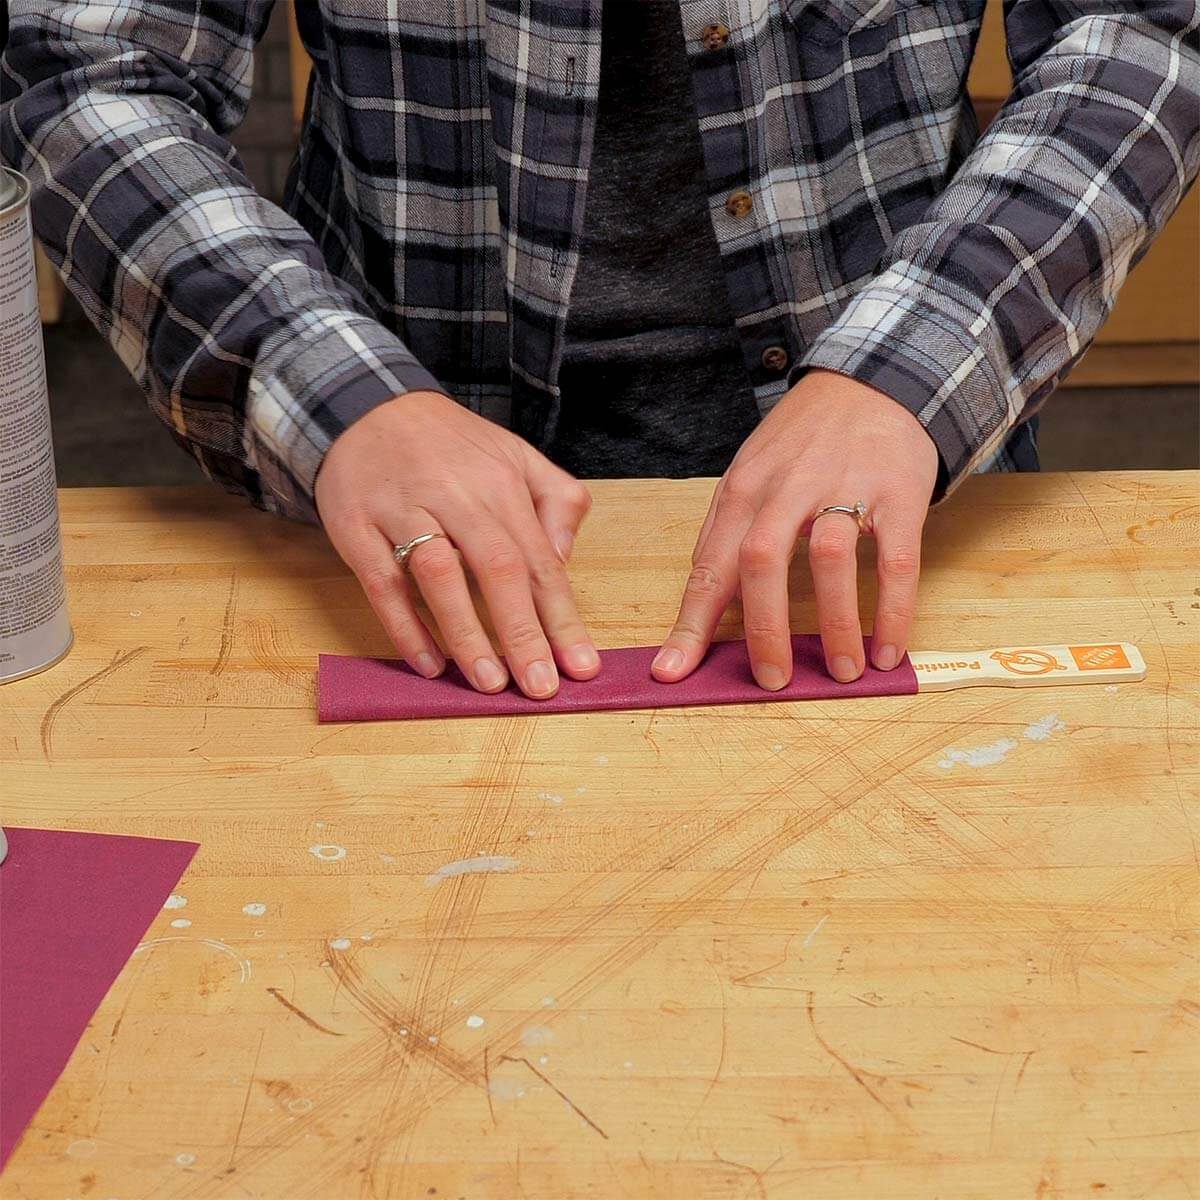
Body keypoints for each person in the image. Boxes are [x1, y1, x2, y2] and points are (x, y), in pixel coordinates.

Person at [3, 2, 1196, 701]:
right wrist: (332, 390)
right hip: (408, 493)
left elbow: (1142, 29)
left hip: (903, 462)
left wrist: (913, 363)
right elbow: (81, 70)